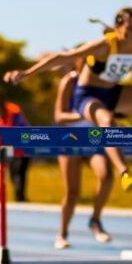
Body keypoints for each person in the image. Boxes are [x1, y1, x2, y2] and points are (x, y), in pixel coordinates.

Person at [3, 7, 132, 192]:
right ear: (117, 28)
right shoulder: (104, 46)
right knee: (106, 121)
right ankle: (124, 171)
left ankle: (119, 113)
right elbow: (63, 57)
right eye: (129, 28)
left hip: (114, 94)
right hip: (88, 96)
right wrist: (27, 73)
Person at [53, 60, 115, 249]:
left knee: (106, 176)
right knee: (72, 193)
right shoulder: (70, 81)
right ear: (79, 63)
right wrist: (85, 114)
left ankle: (95, 220)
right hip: (70, 140)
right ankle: (62, 233)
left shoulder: (104, 81)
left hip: (94, 140)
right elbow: (59, 116)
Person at [0, 96, 30, 202]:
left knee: (19, 172)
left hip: (23, 146)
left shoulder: (13, 111)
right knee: (13, 173)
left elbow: (21, 128)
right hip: (12, 148)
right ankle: (19, 197)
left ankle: (20, 198)